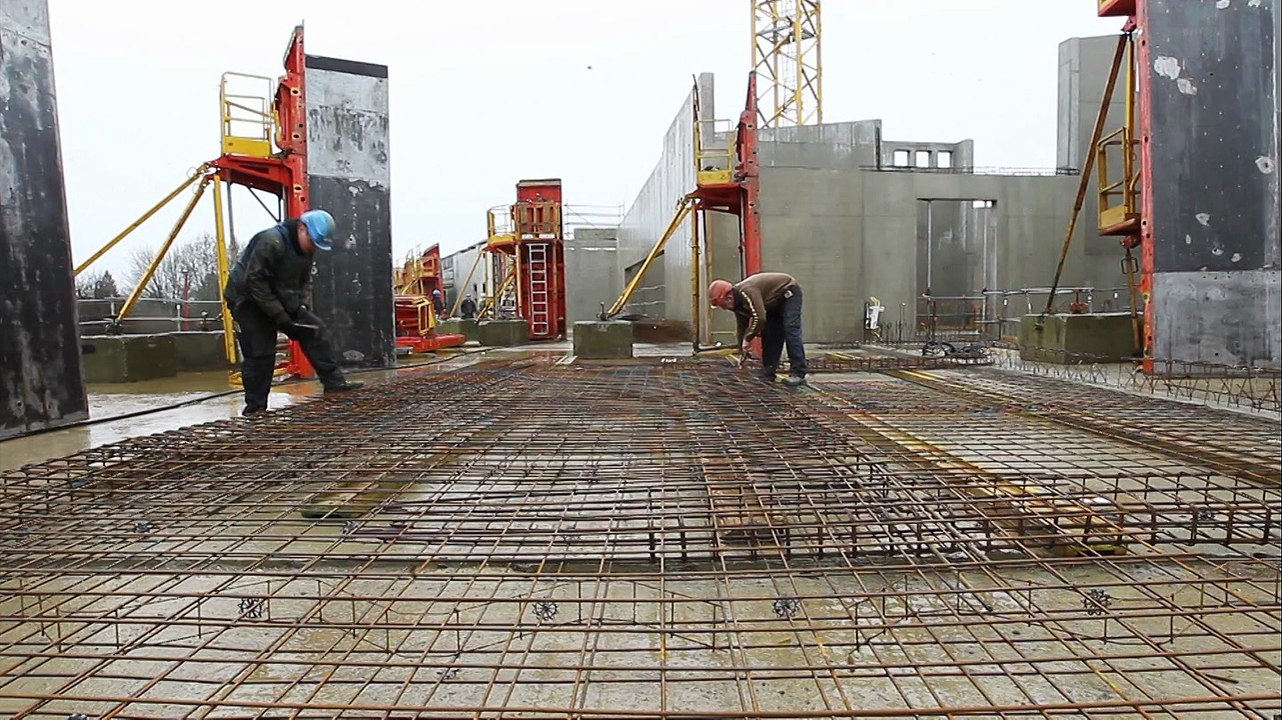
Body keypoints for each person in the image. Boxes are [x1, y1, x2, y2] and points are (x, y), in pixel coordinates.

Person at [223, 209, 363, 416]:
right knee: (261, 352)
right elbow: (255, 282)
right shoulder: (270, 242)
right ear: (301, 228)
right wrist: (280, 316)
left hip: (277, 295)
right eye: (313, 241)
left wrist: (301, 307)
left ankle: (334, 383)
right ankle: (255, 409)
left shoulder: (307, 249)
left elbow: (304, 282)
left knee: (314, 330)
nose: (314, 247)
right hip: (247, 300)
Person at [709, 272, 808, 386]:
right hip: (772, 303)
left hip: (787, 292)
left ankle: (798, 373)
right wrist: (742, 347)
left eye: (723, 305)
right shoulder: (736, 305)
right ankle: (769, 370)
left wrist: (748, 338)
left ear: (729, 297)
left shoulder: (747, 291)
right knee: (770, 333)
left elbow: (760, 318)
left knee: (791, 329)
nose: (724, 309)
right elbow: (742, 326)